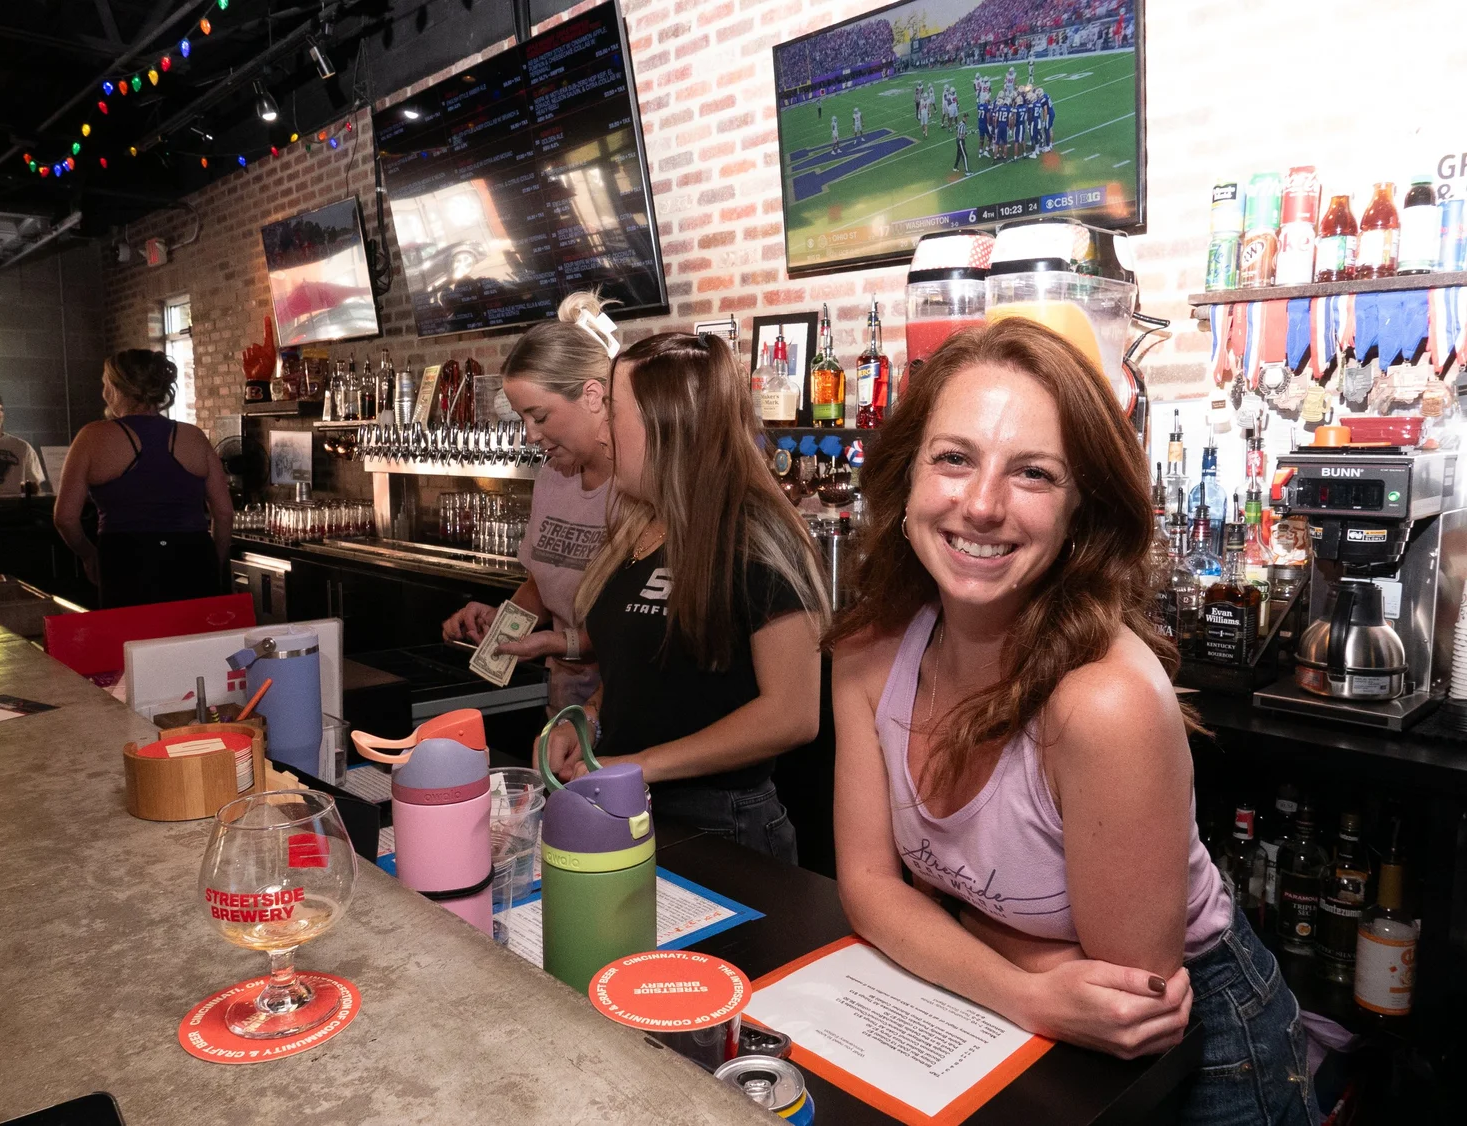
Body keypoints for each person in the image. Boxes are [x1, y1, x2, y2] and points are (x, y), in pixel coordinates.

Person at [827, 320, 1319, 1124]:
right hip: (1007, 1019)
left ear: (1079, 509)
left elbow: (1129, 999)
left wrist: (939, 920)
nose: (982, 505)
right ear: (905, 475)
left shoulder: (1102, 701)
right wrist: (1022, 988)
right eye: (954, 458)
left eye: (1034, 473)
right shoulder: (868, 654)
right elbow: (871, 888)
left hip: (1202, 1053)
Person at [540, 333, 828, 861]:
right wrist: (590, 721)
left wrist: (640, 763)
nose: (602, 431)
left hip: (720, 824)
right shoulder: (640, 524)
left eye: (614, 411)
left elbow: (793, 713)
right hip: (629, 804)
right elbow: (649, 668)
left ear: (666, 426)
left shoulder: (756, 537)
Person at [442, 292, 617, 712]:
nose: (530, 435)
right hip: (565, 702)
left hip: (622, 705)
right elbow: (546, 581)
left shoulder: (638, 485)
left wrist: (557, 643)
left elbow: (650, 627)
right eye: (522, 420)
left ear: (592, 396)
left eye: (539, 417)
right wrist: (499, 622)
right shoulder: (553, 477)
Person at [53, 349, 232, 609]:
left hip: (127, 559)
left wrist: (89, 555)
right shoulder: (193, 436)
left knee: (136, 643)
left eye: (105, 384)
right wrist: (215, 558)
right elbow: (224, 513)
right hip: (192, 555)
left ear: (115, 388)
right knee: (196, 644)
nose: (103, 392)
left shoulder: (92, 437)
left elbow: (65, 518)